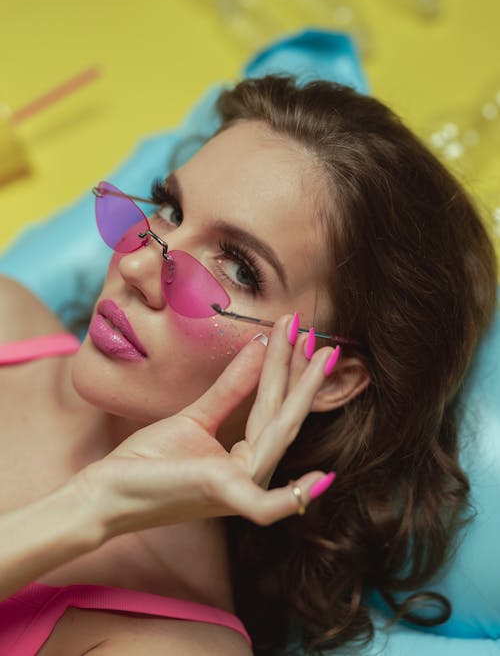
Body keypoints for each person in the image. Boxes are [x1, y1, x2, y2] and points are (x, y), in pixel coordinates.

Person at [0, 75, 497, 656]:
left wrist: (96, 507)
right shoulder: (10, 316)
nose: (136, 268)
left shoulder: (172, 646)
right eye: (168, 209)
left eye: (238, 268)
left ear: (329, 374)